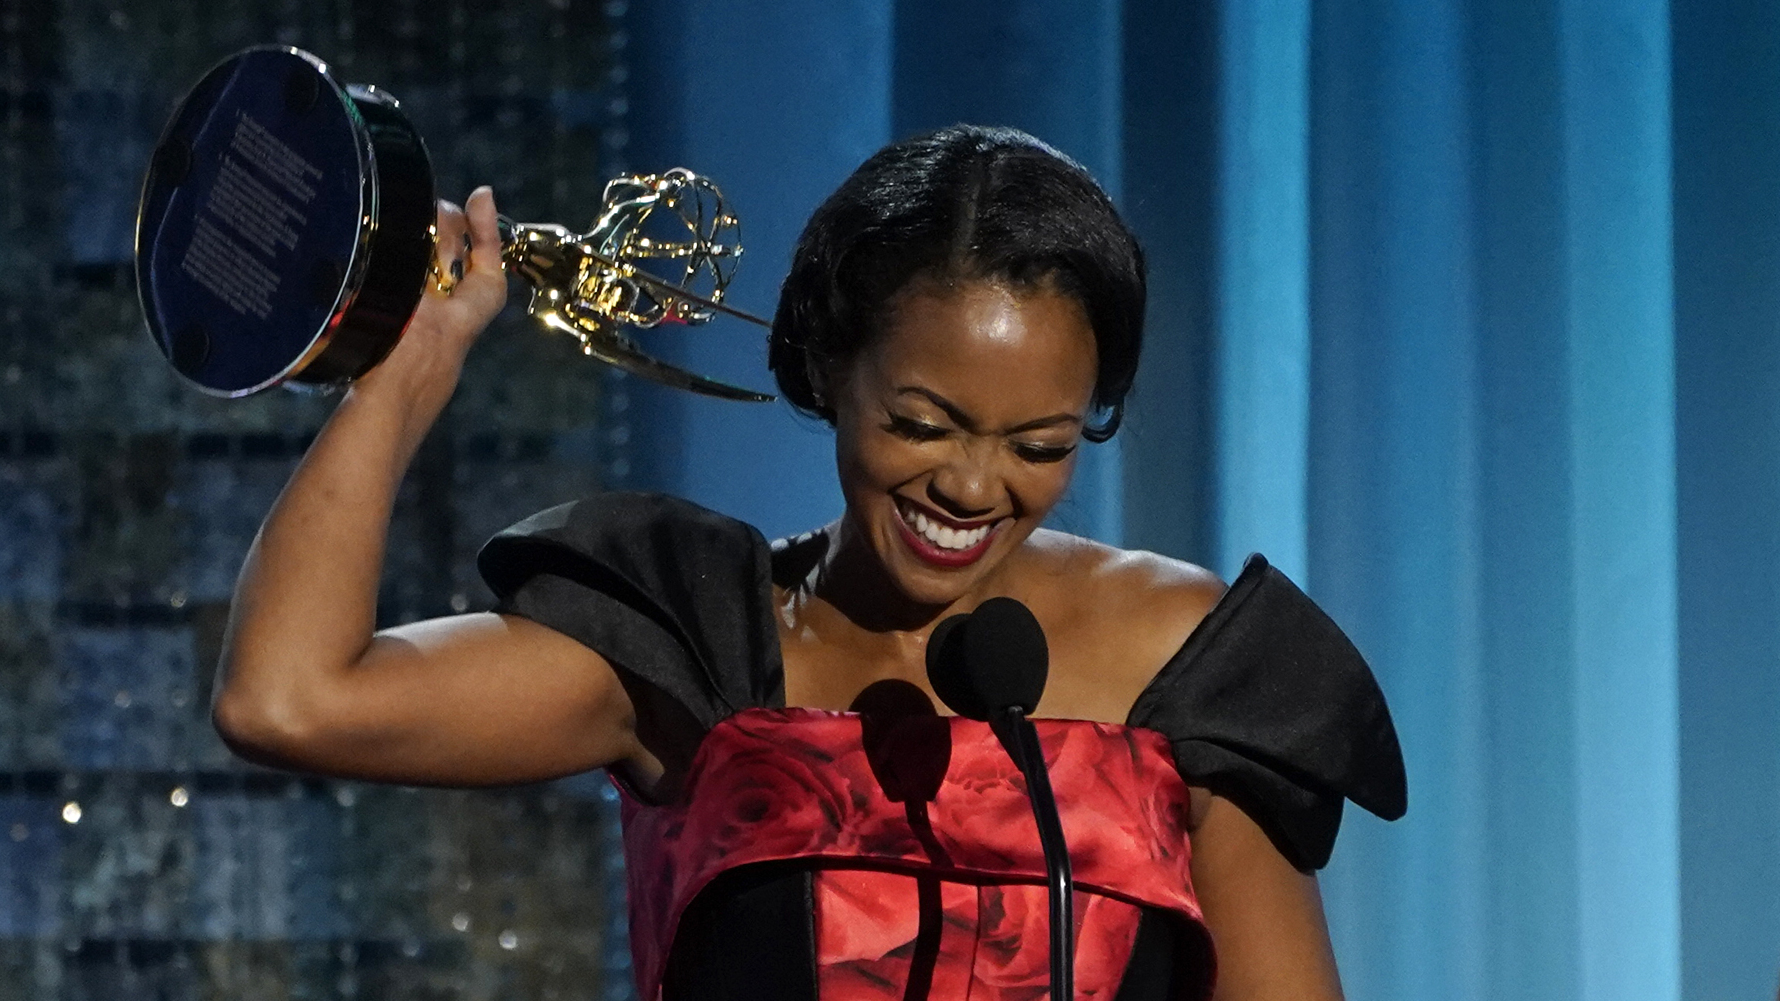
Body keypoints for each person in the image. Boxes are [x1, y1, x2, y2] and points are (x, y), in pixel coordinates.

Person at [213, 125, 1406, 1001]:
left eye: (1038, 444)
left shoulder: (1191, 667)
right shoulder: (698, 644)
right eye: (923, 424)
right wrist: (417, 358)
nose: (972, 487)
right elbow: (290, 697)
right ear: (829, 367)